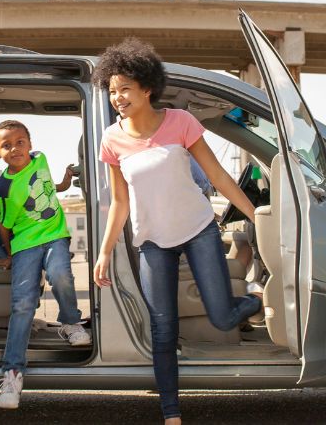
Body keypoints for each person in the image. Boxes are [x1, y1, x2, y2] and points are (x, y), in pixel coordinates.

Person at [91, 39, 263, 425]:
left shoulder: (180, 122)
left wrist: (255, 215)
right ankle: (171, 411)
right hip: (153, 241)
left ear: (147, 87)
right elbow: (120, 202)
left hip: (198, 229)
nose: (117, 97)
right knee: (162, 329)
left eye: (125, 89)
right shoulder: (111, 138)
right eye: (112, 90)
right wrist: (104, 251)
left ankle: (252, 300)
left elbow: (216, 175)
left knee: (222, 317)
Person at [0, 119, 91, 409]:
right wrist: (9, 255)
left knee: (60, 275)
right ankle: (12, 373)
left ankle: (70, 323)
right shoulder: (4, 187)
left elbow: (50, 187)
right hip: (25, 244)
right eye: (6, 145)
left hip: (56, 234)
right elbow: (5, 226)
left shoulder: (40, 159)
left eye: (20, 142)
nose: (14, 148)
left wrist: (66, 181)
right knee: (22, 304)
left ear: (30, 145)